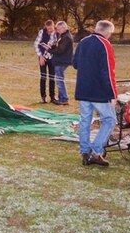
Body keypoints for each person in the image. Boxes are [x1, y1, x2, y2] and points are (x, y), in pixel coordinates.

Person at [73, 20, 118, 166]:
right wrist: (113, 94)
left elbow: (75, 64)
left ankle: (85, 152)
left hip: (83, 89)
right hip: (98, 92)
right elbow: (108, 72)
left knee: (85, 121)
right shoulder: (105, 45)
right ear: (108, 32)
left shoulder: (83, 42)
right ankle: (95, 151)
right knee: (110, 120)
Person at [47, 21, 73, 105]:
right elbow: (59, 47)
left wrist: (49, 50)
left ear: (63, 28)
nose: (57, 31)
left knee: (59, 80)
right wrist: (52, 46)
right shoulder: (63, 36)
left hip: (62, 61)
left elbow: (60, 50)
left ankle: (64, 98)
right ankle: (61, 97)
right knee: (59, 79)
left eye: (58, 29)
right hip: (60, 60)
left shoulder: (66, 37)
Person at [34, 20, 57, 103]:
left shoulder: (56, 33)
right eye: (48, 29)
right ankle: (43, 97)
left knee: (52, 77)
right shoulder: (41, 32)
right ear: (46, 27)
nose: (50, 30)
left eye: (51, 28)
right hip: (42, 57)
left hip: (52, 57)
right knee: (43, 77)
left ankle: (53, 96)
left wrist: (53, 46)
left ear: (53, 26)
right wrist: (40, 56)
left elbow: (57, 45)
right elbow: (36, 44)